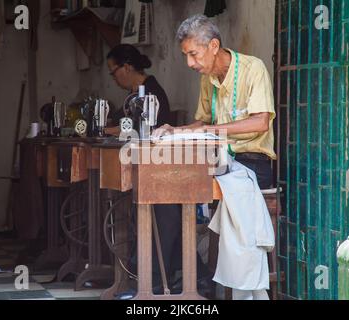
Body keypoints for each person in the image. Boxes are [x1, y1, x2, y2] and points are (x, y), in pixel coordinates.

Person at [154, 14, 277, 300]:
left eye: (193, 54)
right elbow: (202, 123)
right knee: (165, 189)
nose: (189, 63)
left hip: (252, 163)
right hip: (220, 161)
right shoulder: (208, 80)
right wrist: (175, 130)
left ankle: (222, 284)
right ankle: (190, 277)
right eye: (186, 55)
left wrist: (213, 130)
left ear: (213, 46)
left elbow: (261, 122)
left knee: (183, 189)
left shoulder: (252, 69)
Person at [106, 44, 211, 298]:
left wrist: (106, 130)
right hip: (152, 162)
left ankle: (165, 276)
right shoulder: (136, 94)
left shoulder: (151, 93)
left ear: (127, 67)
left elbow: (139, 129)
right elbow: (122, 123)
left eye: (114, 71)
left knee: (166, 216)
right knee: (163, 216)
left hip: (161, 165)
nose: (113, 77)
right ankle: (173, 273)